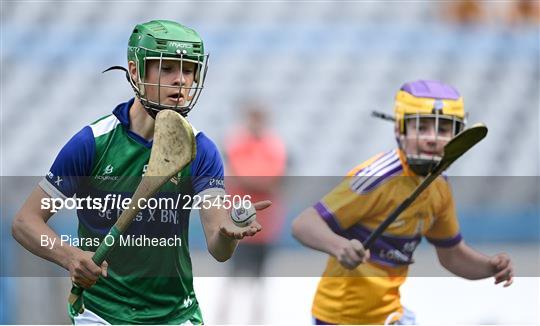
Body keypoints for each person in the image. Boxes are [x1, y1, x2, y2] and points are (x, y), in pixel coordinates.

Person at [11, 19, 270, 325]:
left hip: (176, 315)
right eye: (168, 68)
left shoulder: (201, 149)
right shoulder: (92, 143)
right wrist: (69, 256)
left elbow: (218, 245)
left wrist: (229, 235)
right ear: (135, 71)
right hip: (101, 314)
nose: (180, 81)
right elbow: (25, 222)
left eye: (188, 70)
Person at [291, 80, 514, 325]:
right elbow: (303, 224)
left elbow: (452, 255)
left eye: (443, 130)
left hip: (390, 316)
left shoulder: (439, 187)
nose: (432, 139)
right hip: (340, 318)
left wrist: (489, 267)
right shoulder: (377, 177)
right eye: (422, 127)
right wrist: (339, 246)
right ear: (400, 130)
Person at [220, 100, 287, 323]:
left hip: (264, 225)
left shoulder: (273, 144)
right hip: (238, 223)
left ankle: (255, 321)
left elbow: (271, 177)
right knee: (232, 279)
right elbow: (244, 175)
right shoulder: (237, 142)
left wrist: (254, 180)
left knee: (259, 281)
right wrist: (260, 181)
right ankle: (224, 319)